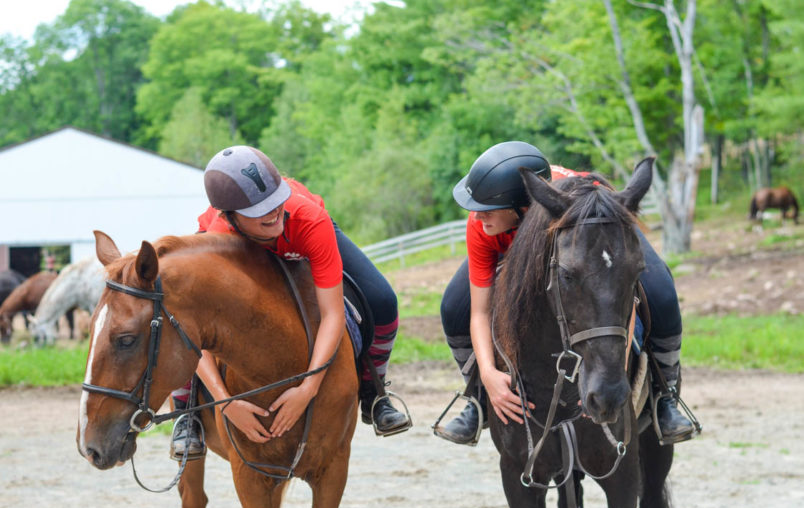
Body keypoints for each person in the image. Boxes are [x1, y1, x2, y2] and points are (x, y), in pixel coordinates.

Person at [435, 141, 696, 446]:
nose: (477, 217)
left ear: (521, 208)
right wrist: (490, 374)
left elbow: (615, 295)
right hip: (531, 225)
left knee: (661, 291)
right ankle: (476, 398)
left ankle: (666, 396)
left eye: (486, 211)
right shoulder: (483, 222)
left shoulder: (567, 210)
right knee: (454, 307)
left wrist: (614, 373)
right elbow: (479, 312)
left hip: (595, 220)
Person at [170, 145, 409, 459]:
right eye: (258, 210)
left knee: (382, 300)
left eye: (275, 201)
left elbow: (333, 314)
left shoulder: (306, 217)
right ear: (231, 217)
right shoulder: (217, 241)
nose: (272, 213)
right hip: (237, 245)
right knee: (181, 312)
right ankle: (185, 412)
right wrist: (224, 402)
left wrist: (308, 389)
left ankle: (373, 392)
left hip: (303, 230)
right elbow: (193, 333)